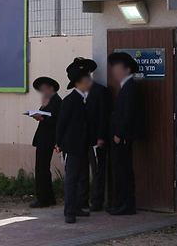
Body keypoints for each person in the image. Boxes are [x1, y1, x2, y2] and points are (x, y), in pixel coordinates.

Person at [67, 57, 112, 212]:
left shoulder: (100, 91)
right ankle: (82, 199)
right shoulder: (76, 95)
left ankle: (97, 201)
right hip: (80, 139)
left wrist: (101, 136)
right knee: (81, 171)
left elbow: (104, 116)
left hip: (95, 138)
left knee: (98, 169)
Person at [56, 66, 92, 224]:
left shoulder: (84, 99)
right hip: (72, 146)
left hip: (83, 145)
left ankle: (77, 205)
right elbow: (61, 123)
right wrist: (58, 143)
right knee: (71, 178)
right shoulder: (70, 100)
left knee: (81, 177)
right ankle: (69, 210)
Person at [107, 52, 140, 216]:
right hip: (120, 137)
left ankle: (125, 204)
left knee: (124, 171)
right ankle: (119, 202)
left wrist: (119, 134)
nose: (114, 72)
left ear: (127, 70)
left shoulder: (131, 87)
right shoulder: (125, 87)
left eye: (118, 69)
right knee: (120, 170)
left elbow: (129, 113)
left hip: (123, 137)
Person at [29, 76, 62, 209]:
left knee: (42, 168)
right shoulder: (48, 101)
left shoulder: (57, 101)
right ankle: (48, 197)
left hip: (48, 139)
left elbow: (57, 120)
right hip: (43, 138)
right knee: (42, 168)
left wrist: (42, 118)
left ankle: (44, 198)